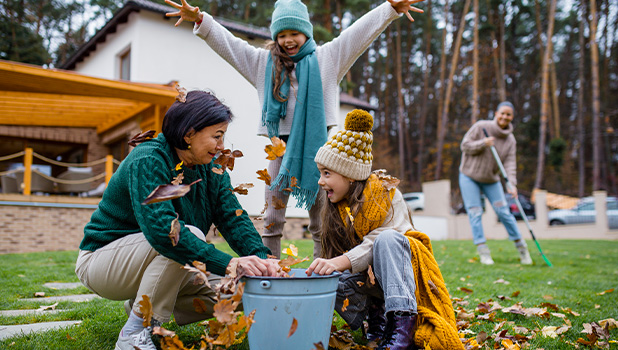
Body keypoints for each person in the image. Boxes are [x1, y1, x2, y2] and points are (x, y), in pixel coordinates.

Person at [165, 0, 425, 258]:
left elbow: (356, 34)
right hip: (279, 150)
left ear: (306, 33)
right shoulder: (261, 64)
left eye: (294, 33)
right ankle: (271, 270)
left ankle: (323, 272)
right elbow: (231, 46)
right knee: (272, 218)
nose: (288, 40)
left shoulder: (327, 59)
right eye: (282, 35)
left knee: (322, 221)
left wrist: (389, 10)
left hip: (319, 150)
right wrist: (201, 20)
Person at [75, 90, 281, 350]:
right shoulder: (150, 159)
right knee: (184, 234)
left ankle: (141, 303)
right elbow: (163, 231)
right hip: (102, 262)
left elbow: (234, 219)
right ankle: (135, 333)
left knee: (248, 288)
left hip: (159, 262)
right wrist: (229, 263)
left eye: (223, 136)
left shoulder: (212, 168)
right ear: (188, 134)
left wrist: (264, 263)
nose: (221, 145)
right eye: (216, 136)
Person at [306, 109, 463, 350]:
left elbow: (377, 243)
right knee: (327, 277)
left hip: (401, 277)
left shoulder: (385, 196)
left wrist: (342, 261)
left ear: (349, 175)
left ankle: (402, 328)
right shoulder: (336, 208)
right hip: (369, 281)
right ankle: (376, 320)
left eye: (327, 173)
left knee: (387, 240)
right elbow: (334, 257)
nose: (320, 180)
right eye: (320, 173)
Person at [458, 101, 533, 265]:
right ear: (496, 114)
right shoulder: (481, 127)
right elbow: (465, 146)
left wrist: (511, 184)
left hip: (491, 180)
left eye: (509, 115)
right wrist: (483, 143)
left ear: (512, 117)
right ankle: (483, 251)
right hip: (469, 176)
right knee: (475, 212)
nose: (505, 117)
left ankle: (522, 248)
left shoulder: (510, 140)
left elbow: (510, 164)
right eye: (502, 113)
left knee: (504, 212)